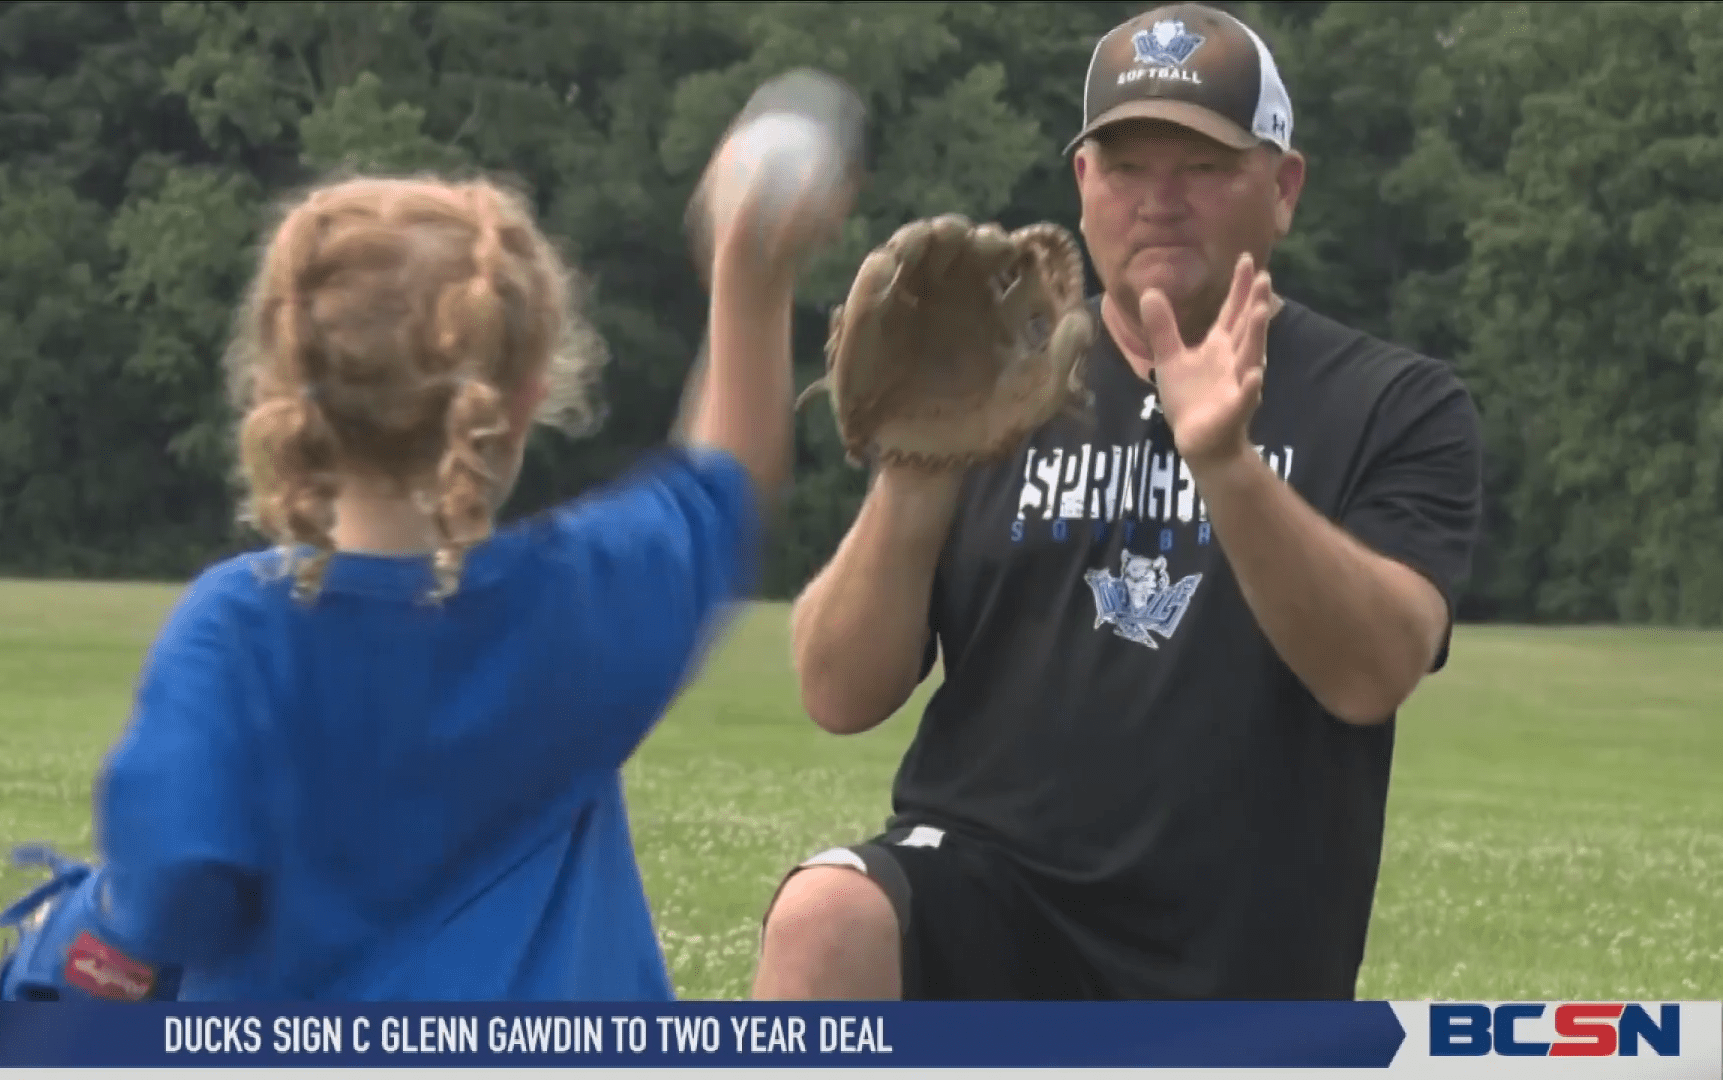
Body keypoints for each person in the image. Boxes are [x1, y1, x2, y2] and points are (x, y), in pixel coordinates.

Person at [753, 2, 1484, 1001]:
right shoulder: (996, 377)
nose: (1160, 200)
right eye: (1129, 165)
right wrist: (916, 467)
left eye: (1203, 166)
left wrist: (1226, 463)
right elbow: (837, 692)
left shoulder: (1391, 402)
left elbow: (1371, 670)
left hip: (1235, 956)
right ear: (1084, 184)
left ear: (1285, 187)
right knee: (825, 917)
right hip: (987, 899)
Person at [76, 159, 846, 1000]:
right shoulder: (578, 597)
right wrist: (749, 277)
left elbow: (167, 895)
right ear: (521, 402)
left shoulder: (235, 631)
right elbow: (723, 485)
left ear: (281, 386)